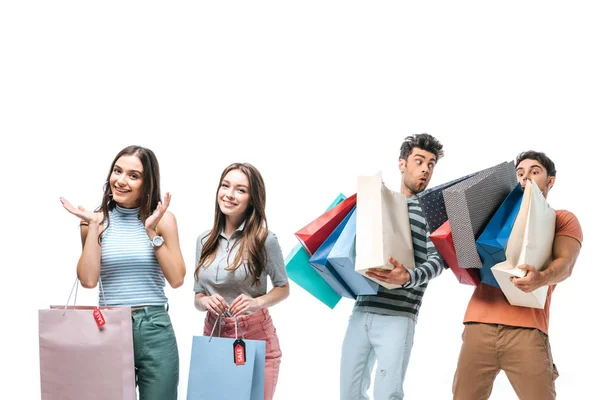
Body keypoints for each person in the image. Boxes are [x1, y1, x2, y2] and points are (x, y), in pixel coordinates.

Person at [452, 150, 583, 400]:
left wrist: (541, 278)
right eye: (520, 173)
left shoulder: (561, 219)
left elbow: (565, 265)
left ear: (550, 181)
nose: (525, 178)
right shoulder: (493, 216)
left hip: (528, 329)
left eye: (534, 172)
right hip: (479, 324)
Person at [60, 145, 186, 400]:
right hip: (109, 326)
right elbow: (88, 280)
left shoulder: (163, 220)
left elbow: (177, 279)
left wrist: (151, 232)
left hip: (154, 327)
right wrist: (94, 226)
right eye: (117, 171)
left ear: (147, 183)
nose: (121, 180)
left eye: (133, 175)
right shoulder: (94, 221)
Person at [340, 133, 446, 400]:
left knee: (388, 394)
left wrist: (408, 276)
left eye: (431, 164)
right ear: (402, 163)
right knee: (349, 395)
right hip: (361, 311)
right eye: (419, 161)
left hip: (399, 316)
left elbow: (439, 261)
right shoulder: (376, 201)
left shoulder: (434, 209)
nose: (425, 169)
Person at [193, 162, 289, 400]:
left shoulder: (264, 239)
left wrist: (257, 303)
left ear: (252, 198)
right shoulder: (204, 240)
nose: (229, 194)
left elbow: (283, 288)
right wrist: (205, 301)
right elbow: (196, 296)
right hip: (214, 333)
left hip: (255, 335)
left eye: (240, 190)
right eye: (225, 186)